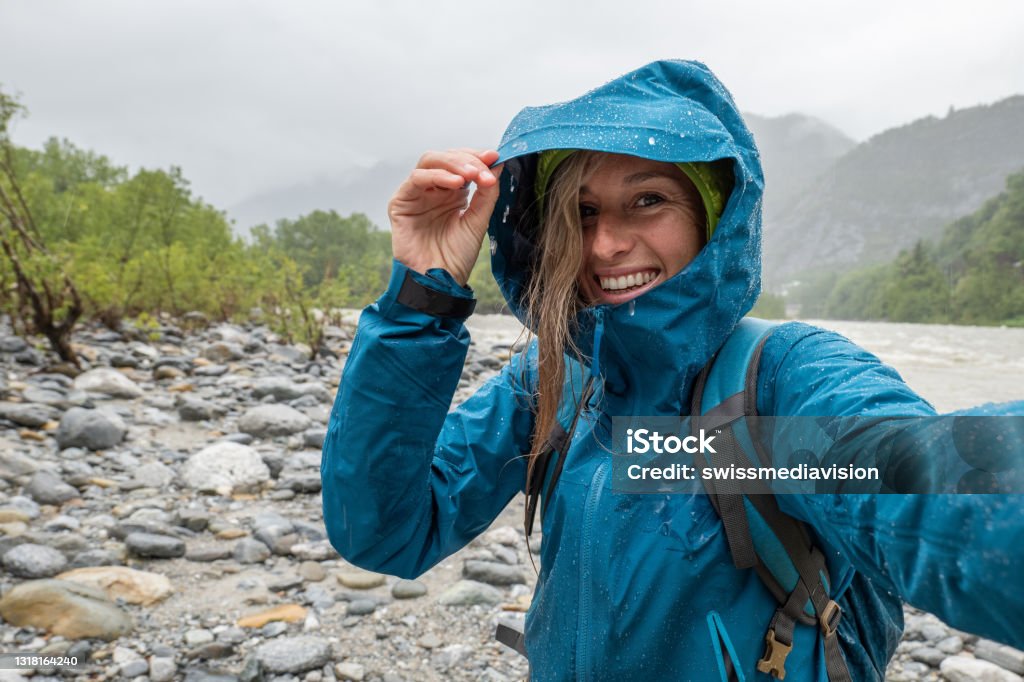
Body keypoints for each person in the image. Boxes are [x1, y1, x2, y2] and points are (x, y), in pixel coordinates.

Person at [321, 60, 1024, 681]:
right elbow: (388, 528)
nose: (605, 243)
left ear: (712, 215)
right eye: (583, 210)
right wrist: (421, 298)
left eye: (648, 200)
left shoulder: (779, 378)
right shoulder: (557, 379)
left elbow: (910, 472)